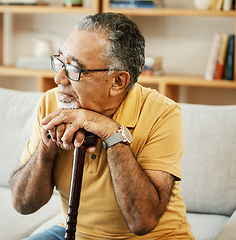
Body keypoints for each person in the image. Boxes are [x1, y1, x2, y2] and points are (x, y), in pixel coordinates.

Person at [10, 12, 194, 239]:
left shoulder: (162, 113)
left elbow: (142, 221)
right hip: (76, 234)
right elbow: (22, 204)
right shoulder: (51, 102)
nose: (59, 79)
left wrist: (110, 132)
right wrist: (46, 150)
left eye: (74, 69)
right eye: (60, 62)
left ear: (117, 82)